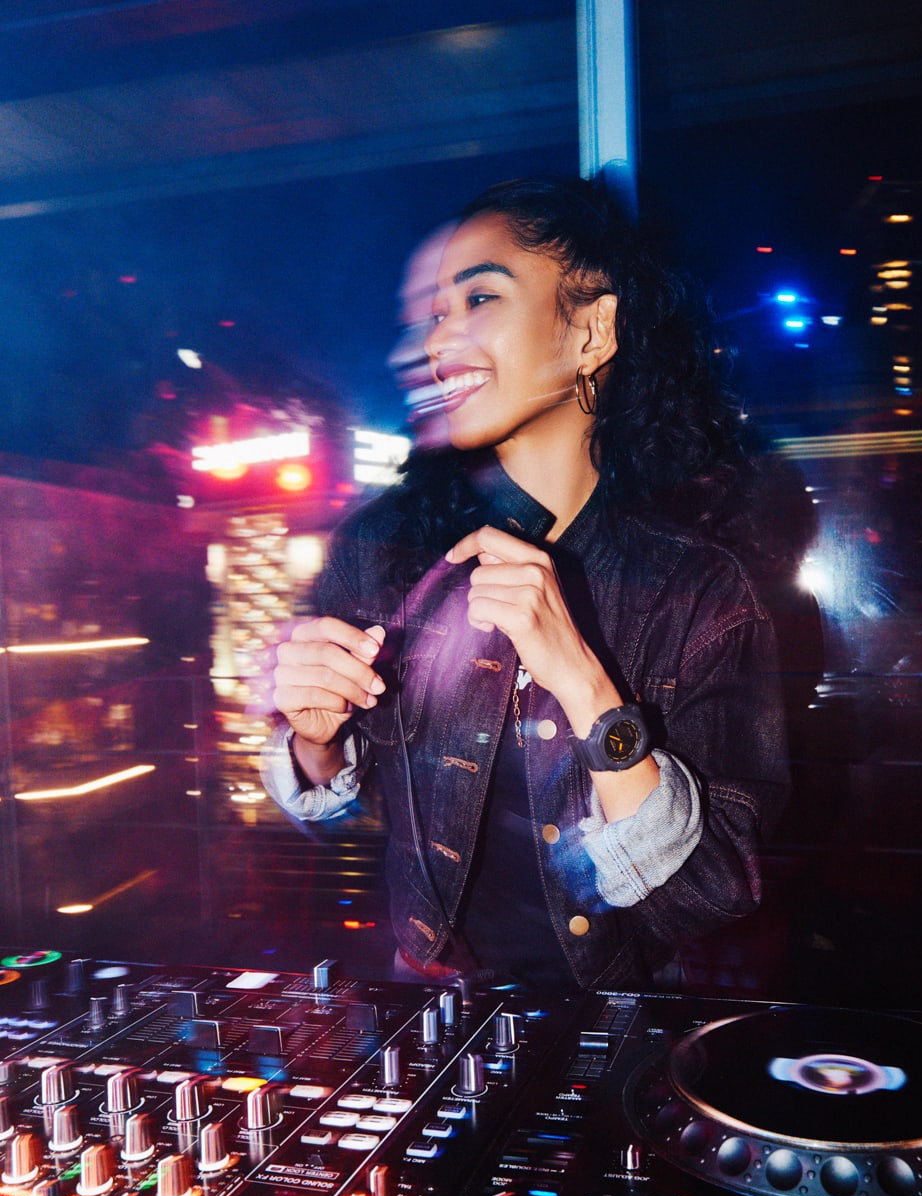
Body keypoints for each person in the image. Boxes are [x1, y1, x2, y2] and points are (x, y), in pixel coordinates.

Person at [261, 176, 788, 992]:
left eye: (481, 297)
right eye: (435, 314)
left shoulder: (697, 584)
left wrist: (585, 685)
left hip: (617, 1035)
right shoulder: (384, 548)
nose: (441, 342)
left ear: (592, 331)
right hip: (426, 1027)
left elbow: (711, 894)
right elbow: (334, 808)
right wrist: (315, 739)